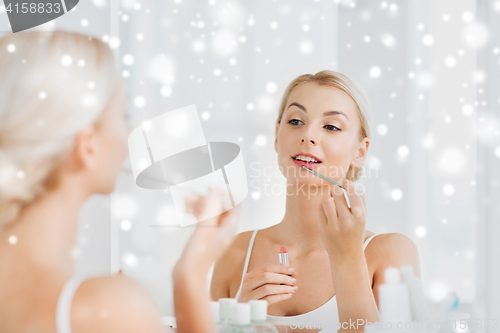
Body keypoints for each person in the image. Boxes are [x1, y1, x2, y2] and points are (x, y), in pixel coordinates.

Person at [0, 30, 239, 333]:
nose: (127, 134)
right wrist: (190, 274)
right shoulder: (103, 309)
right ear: (87, 145)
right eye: (122, 115)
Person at [210, 71, 422, 331]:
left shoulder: (390, 253)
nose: (308, 135)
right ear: (277, 136)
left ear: (360, 151)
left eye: (331, 126)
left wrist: (348, 258)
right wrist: (235, 321)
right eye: (296, 121)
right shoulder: (234, 253)